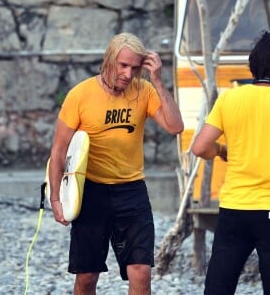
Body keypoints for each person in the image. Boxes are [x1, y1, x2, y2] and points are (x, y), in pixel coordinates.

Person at [48, 32, 184, 294]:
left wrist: (157, 80)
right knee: (87, 277)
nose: (128, 73)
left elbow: (175, 126)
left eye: (135, 67)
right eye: (123, 65)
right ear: (109, 59)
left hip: (131, 191)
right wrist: (56, 199)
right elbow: (58, 151)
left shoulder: (143, 91)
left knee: (141, 273)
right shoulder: (80, 95)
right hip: (91, 191)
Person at [191, 30, 270, 295]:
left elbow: (200, 147)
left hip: (235, 208)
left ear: (254, 64)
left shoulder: (229, 98)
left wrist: (223, 150)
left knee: (219, 286)